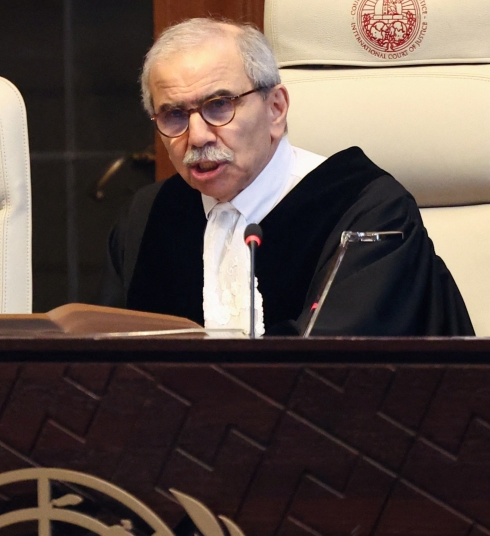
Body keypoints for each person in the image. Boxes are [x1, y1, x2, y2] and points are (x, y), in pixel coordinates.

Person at [99, 18, 472, 336]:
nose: (197, 136)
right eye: (175, 115)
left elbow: (343, 372)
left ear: (275, 109)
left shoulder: (369, 209)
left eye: (219, 106)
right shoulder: (146, 217)